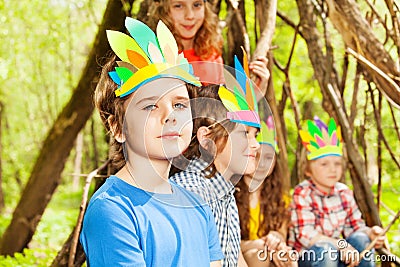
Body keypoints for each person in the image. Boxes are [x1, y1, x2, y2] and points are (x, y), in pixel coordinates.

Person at [79, 17, 223, 266]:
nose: (170, 116)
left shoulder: (198, 206)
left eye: (179, 104)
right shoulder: (112, 211)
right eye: (149, 106)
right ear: (118, 128)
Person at [170, 52, 264, 267]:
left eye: (255, 135)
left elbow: (233, 258)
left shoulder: (224, 192)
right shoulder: (193, 193)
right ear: (207, 140)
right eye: (244, 133)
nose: (256, 144)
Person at [288, 116, 386, 267]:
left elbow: (354, 227)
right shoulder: (303, 193)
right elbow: (306, 235)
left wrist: (370, 233)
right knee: (326, 251)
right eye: (324, 164)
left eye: (337, 164)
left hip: (338, 256)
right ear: (308, 169)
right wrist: (340, 244)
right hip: (312, 257)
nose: (332, 169)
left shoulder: (344, 192)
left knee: (361, 239)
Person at [145, 0, 269, 88]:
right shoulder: (153, 55)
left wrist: (258, 90)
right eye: (178, 6)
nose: (190, 15)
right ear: (163, 9)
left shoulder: (210, 54)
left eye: (197, 5)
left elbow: (220, 112)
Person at [234, 116, 296, 267]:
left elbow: (281, 233)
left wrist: (276, 238)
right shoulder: (231, 194)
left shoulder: (281, 198)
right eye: (258, 155)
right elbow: (225, 244)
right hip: (239, 256)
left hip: (268, 253)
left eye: (269, 157)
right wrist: (259, 244)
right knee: (259, 254)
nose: (263, 163)